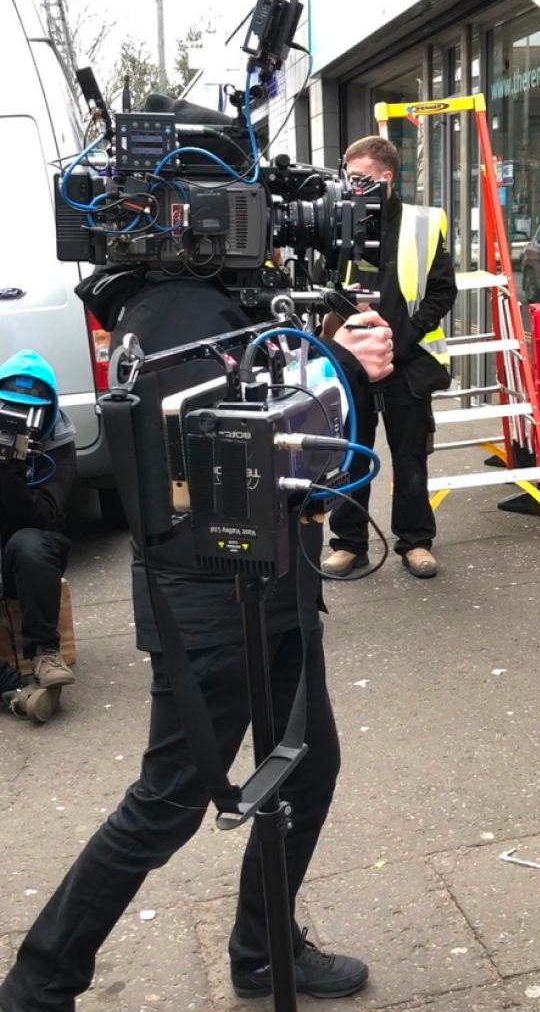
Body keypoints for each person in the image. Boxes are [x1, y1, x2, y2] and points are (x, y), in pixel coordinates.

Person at [0, 278, 395, 1012]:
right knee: (169, 799)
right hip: (213, 599)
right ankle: (36, 986)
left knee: (306, 770)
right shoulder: (177, 305)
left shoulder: (204, 292)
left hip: (270, 578)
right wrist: (336, 368)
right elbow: (228, 456)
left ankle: (261, 953)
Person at [321, 135, 458, 579]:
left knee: (409, 456)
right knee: (350, 455)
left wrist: (402, 340)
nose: (351, 185)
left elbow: (441, 292)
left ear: (387, 178)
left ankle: (415, 542)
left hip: (407, 362)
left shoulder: (423, 222)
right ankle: (348, 545)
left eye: (360, 178)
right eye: (347, 177)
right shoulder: (337, 218)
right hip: (352, 362)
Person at [0, 350, 76, 725]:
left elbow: (46, 517)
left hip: (31, 555)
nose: (21, 422)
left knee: (31, 542)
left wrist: (12, 471)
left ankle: (45, 654)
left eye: (30, 413)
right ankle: (13, 689)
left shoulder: (59, 443)